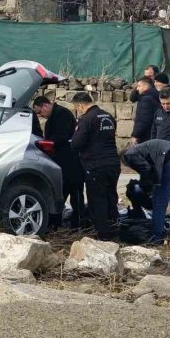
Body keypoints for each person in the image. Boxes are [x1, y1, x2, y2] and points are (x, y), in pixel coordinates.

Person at [122, 139, 170, 244]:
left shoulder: (130, 154)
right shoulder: (146, 149)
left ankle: (157, 238)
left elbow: (145, 169)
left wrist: (144, 188)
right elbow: (152, 170)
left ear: (124, 159)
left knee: (159, 203)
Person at [70, 92, 120, 240]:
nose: (78, 110)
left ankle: (103, 236)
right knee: (111, 198)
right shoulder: (108, 116)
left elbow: (76, 143)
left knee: (97, 201)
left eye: (77, 108)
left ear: (80, 105)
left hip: (96, 166)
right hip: (113, 164)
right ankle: (115, 231)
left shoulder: (86, 119)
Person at [33, 96, 83, 228]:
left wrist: (48, 143)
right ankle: (57, 224)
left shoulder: (62, 114)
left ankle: (78, 224)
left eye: (40, 112)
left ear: (45, 106)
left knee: (75, 195)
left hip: (71, 162)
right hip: (60, 163)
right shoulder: (54, 117)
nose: (41, 116)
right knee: (60, 194)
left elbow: (62, 137)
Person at [130, 77, 161, 146]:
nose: (137, 89)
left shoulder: (146, 99)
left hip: (145, 136)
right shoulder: (155, 95)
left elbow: (142, 119)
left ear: (146, 86)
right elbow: (132, 98)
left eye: (139, 86)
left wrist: (135, 135)